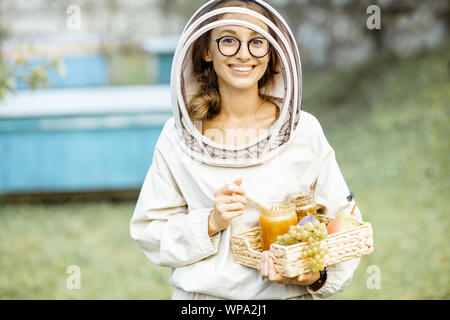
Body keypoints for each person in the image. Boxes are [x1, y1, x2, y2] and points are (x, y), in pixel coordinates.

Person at [130, 0, 362, 300]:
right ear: (206, 50)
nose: (243, 53)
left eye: (256, 42)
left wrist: (316, 275)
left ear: (272, 53)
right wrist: (211, 221)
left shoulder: (303, 130)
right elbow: (150, 231)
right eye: (228, 40)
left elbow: (343, 220)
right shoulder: (177, 137)